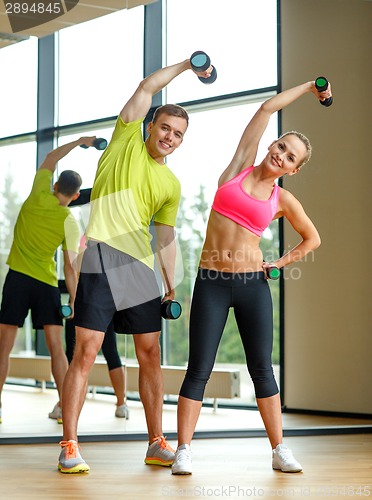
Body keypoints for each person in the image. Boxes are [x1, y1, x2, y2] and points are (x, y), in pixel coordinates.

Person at [57, 56, 214, 474]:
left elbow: (164, 236)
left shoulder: (171, 184)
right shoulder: (125, 140)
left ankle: (156, 442)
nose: (170, 137)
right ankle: (69, 444)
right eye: (165, 128)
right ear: (149, 126)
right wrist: (186, 67)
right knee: (86, 351)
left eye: (178, 134)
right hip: (102, 255)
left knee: (150, 353)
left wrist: (170, 283)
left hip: (141, 269)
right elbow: (146, 87)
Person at [171, 80, 332, 475]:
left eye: (290, 157)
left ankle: (279, 450)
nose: (281, 155)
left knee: (262, 368)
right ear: (271, 146)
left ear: (294, 168)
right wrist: (311, 86)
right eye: (281, 146)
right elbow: (265, 109)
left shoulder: (282, 200)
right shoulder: (238, 167)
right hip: (210, 281)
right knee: (199, 368)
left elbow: (313, 238)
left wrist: (279, 262)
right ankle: (183, 450)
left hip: (251, 287)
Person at [0, 137, 95, 424]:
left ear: (55, 185)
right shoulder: (69, 220)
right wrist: (76, 301)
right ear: (76, 195)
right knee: (56, 348)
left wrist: (80, 141)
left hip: (17, 279)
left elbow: (52, 157)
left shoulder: (38, 193)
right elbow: (70, 266)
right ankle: (67, 407)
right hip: (45, 285)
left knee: (4, 346)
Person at [64, 319, 129, 418]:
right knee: (111, 352)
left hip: (82, 309)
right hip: (107, 307)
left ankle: (64, 406)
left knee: (74, 357)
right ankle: (121, 404)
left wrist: (72, 303)